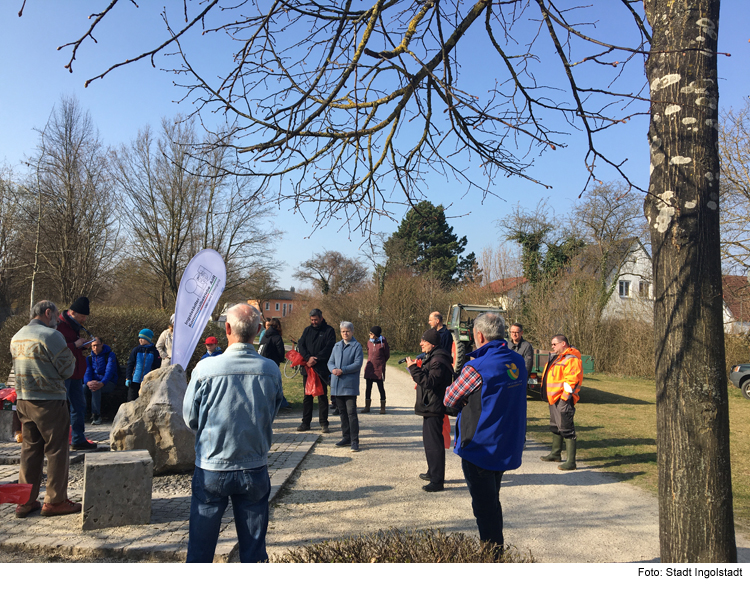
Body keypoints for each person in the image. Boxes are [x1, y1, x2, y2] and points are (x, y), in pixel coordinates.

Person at [183, 303, 284, 563]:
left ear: (226, 328)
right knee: (253, 554)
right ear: (259, 331)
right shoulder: (270, 370)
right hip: (254, 463)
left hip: (211, 465)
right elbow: (271, 414)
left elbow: (190, 418)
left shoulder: (205, 369)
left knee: (200, 552)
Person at [444, 312, 527, 553]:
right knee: (492, 499)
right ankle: (494, 550)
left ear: (478, 335)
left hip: (479, 447)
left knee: (484, 507)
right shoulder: (517, 361)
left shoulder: (476, 367)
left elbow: (449, 398)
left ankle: (493, 556)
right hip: (505, 443)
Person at [10, 300, 80, 517]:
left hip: (23, 399)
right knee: (57, 450)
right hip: (49, 400)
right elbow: (68, 369)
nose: (57, 322)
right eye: (56, 316)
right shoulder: (51, 336)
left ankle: (25, 501)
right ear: (48, 312)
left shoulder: (17, 336)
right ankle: (55, 501)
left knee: (30, 450)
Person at [406, 328, 453, 492]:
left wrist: (413, 368)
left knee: (434, 444)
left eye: (423, 341)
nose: (420, 344)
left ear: (432, 343)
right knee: (429, 442)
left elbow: (429, 382)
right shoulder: (434, 357)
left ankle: (437, 481)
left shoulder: (438, 360)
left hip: (434, 406)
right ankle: (432, 472)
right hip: (430, 405)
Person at [56, 296, 96, 451]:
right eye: (82, 316)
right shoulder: (59, 326)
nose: (84, 319)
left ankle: (78, 439)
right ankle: (59, 440)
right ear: (72, 312)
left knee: (79, 406)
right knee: (61, 407)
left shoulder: (74, 325)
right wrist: (75, 345)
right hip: (64, 373)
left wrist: (81, 346)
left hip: (76, 372)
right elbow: (56, 348)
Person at [540, 334, 583, 471]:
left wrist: (565, 398)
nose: (552, 347)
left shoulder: (571, 359)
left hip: (562, 400)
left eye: (554, 344)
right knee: (555, 426)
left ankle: (571, 462)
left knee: (566, 428)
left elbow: (572, 380)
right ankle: (555, 453)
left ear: (563, 344)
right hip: (554, 399)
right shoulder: (558, 357)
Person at [296, 308, 336, 433]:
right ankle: (305, 423)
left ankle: (324, 423)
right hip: (308, 368)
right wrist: (308, 358)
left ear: (321, 318)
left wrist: (317, 359)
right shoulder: (307, 330)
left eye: (316, 320)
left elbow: (329, 347)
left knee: (322, 396)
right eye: (312, 320)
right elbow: (301, 345)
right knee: (307, 396)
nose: (314, 322)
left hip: (321, 368)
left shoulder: (329, 331)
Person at [328, 321, 364, 452]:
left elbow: (357, 364)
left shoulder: (357, 346)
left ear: (352, 332)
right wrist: (333, 370)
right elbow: (330, 362)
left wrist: (342, 370)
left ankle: (355, 440)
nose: (345, 333)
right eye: (343, 331)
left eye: (347, 331)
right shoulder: (336, 346)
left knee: (351, 413)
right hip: (336, 385)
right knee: (342, 413)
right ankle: (346, 437)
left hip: (349, 385)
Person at [83, 337, 118, 425]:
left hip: (108, 383)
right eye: (93, 346)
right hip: (94, 382)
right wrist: (88, 382)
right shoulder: (89, 358)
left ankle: (96, 415)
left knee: (95, 389)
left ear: (102, 344)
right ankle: (82, 413)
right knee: (82, 388)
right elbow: (87, 372)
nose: (95, 348)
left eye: (97, 345)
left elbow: (109, 372)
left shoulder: (110, 355)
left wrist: (102, 383)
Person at [259, 318, 291, 409]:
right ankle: (281, 404)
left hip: (262, 362)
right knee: (276, 384)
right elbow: (281, 352)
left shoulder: (265, 335)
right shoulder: (277, 337)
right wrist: (281, 359)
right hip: (273, 363)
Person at [125, 329, 161, 402]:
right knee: (131, 401)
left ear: (148, 339)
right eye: (139, 338)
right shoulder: (136, 350)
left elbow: (156, 367)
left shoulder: (154, 351)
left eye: (142, 338)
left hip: (147, 382)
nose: (140, 340)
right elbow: (130, 364)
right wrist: (128, 377)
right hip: (135, 380)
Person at [363, 326, 390, 414]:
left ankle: (383, 408)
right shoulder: (369, 342)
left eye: (371, 333)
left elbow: (387, 355)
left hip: (379, 368)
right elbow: (368, 352)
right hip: (370, 368)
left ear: (376, 335)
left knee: (381, 388)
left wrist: (381, 362)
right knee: (368, 388)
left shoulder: (383, 343)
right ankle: (367, 407)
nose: (369, 335)